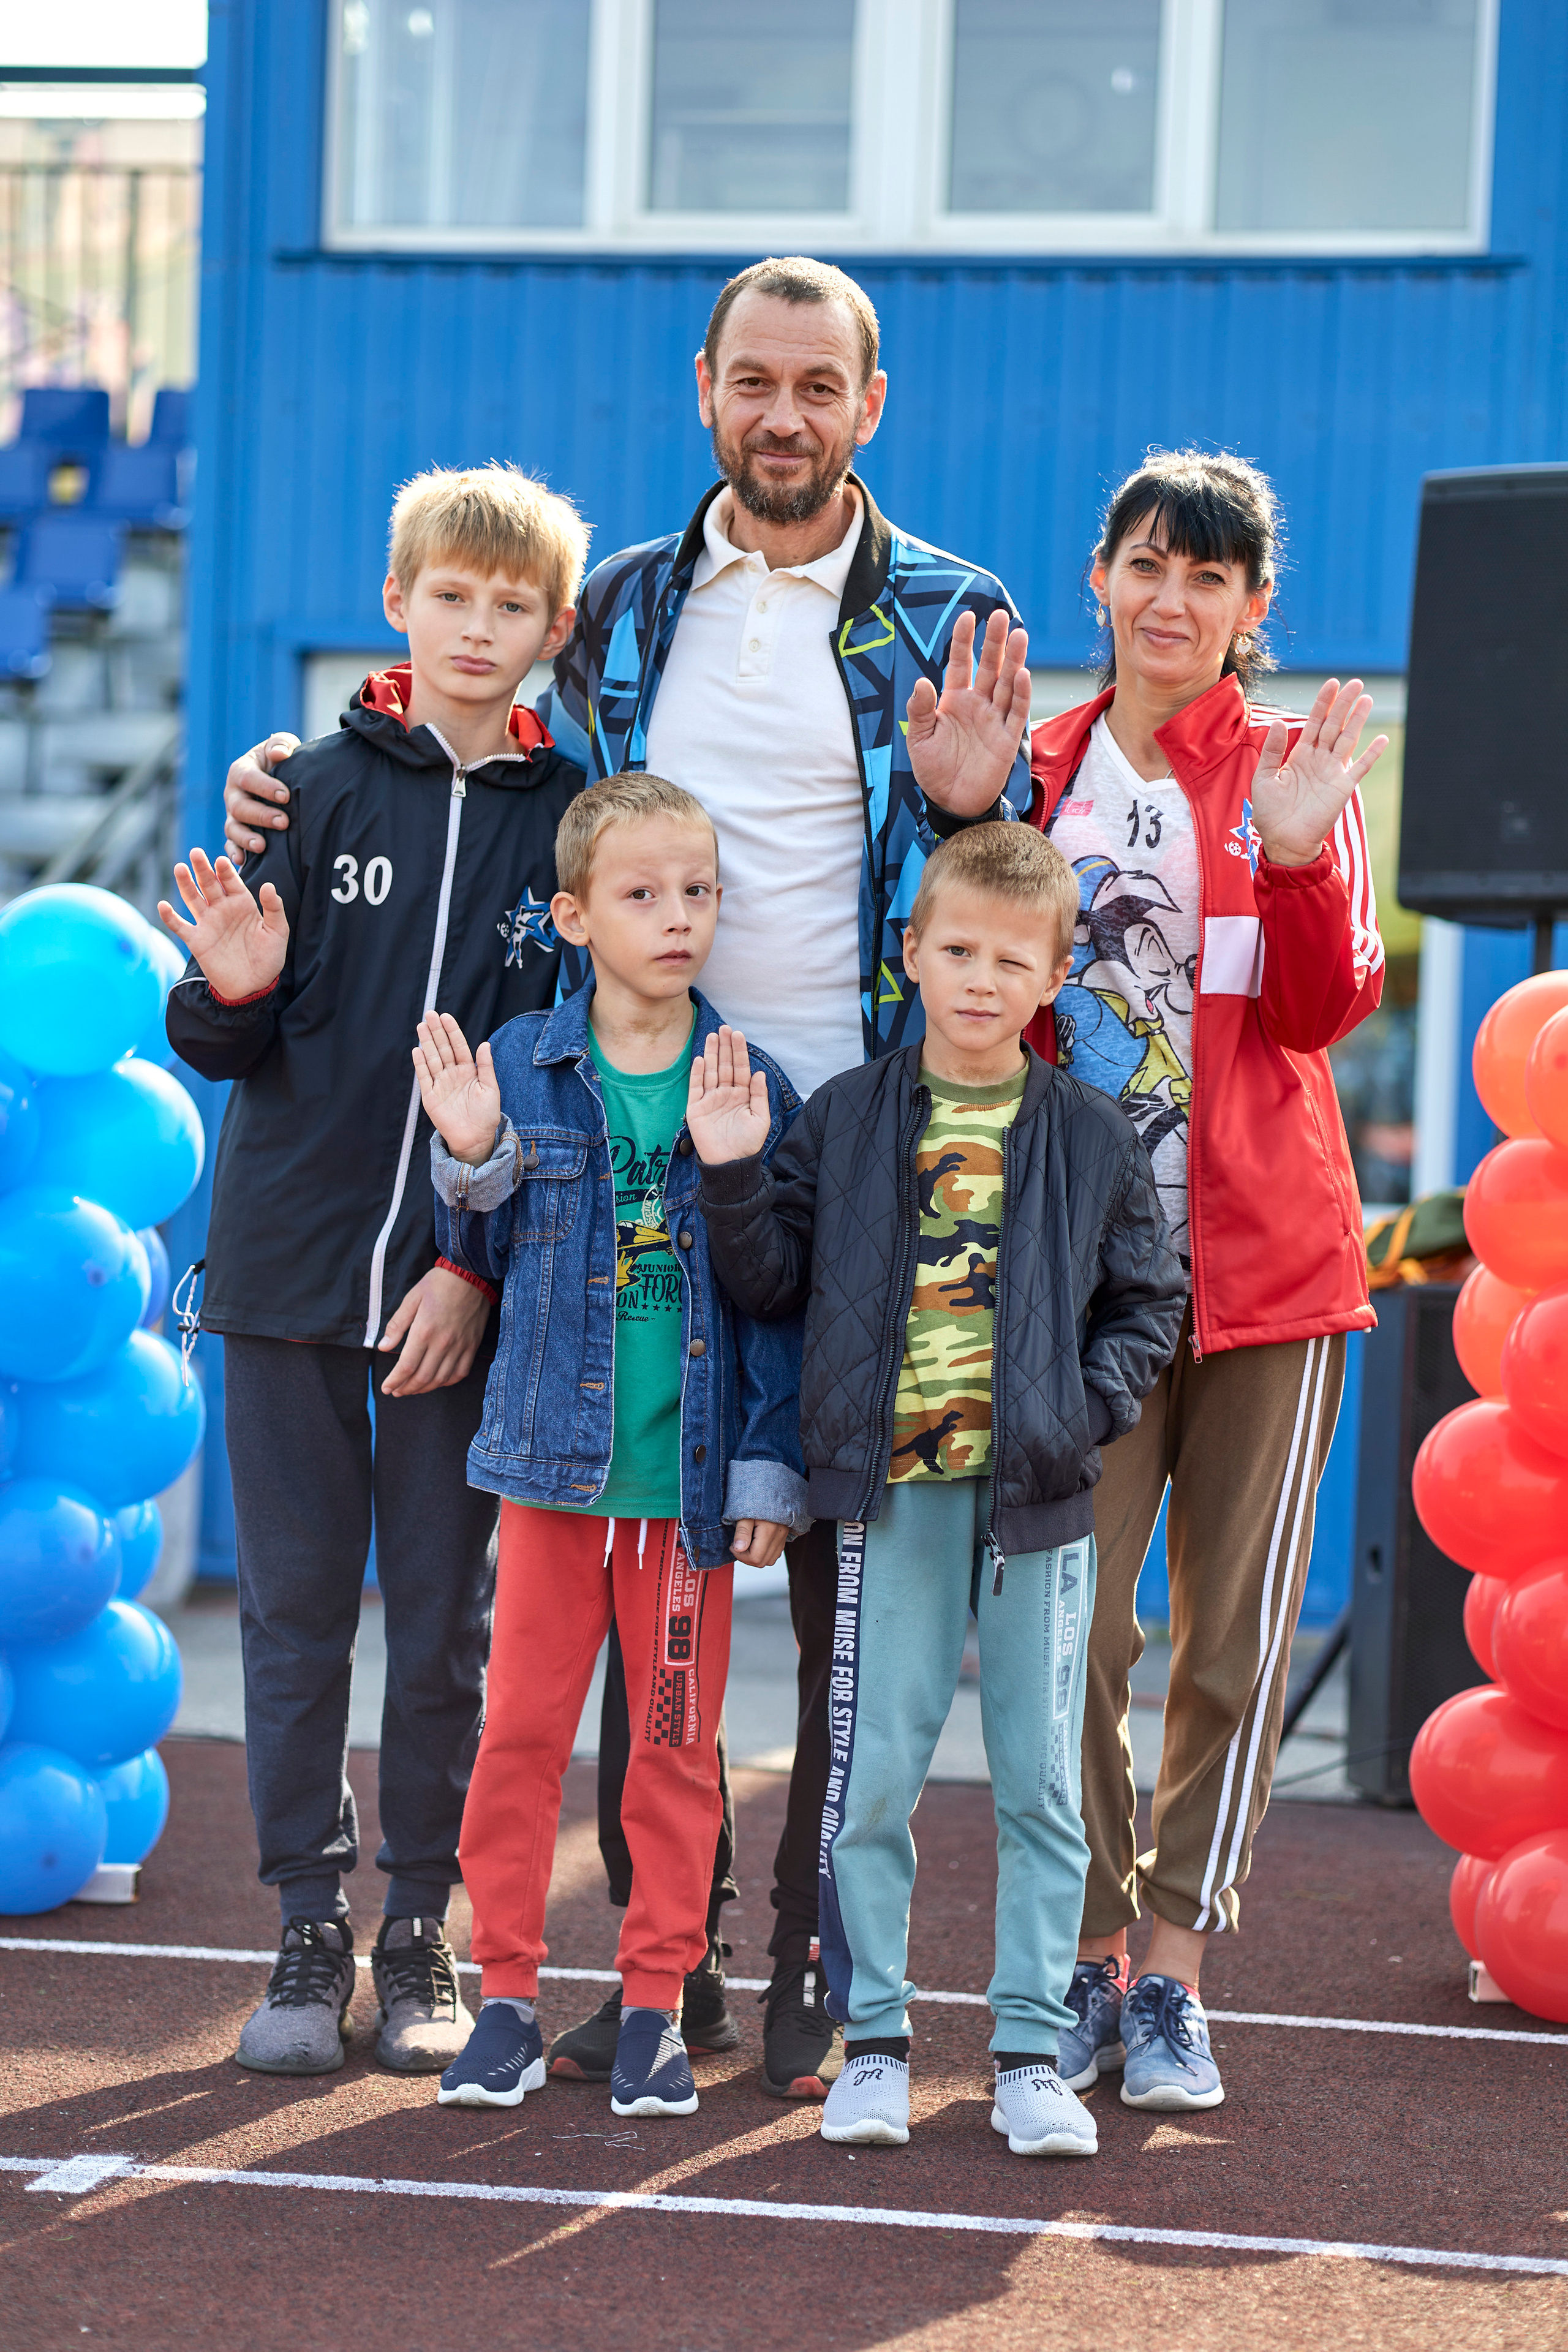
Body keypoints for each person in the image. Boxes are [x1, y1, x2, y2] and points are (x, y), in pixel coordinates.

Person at [219, 254, 1033, 2099]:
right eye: (756, 380)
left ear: (870, 405)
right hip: (623, 1144)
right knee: (636, 1557)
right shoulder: (619, 608)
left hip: (855, 1149)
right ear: (707, 391)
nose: (787, 415)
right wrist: (307, 759)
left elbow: (1002, 906)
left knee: (828, 1568)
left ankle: (822, 1958)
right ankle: (666, 1977)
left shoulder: (951, 613)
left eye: (820, 385)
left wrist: (987, 804)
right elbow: (484, 743)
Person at [162, 465, 587, 2076]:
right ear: (399, 600)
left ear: (552, 633)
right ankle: (302, 1926)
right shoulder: (309, 790)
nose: (479, 629)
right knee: (288, 1626)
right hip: (278, 1287)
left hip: (455, 1304)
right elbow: (224, 1034)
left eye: (511, 607)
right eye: (451, 596)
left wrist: (472, 1266)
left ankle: (422, 1934)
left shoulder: (572, 824)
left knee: (443, 1632)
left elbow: (557, 1069)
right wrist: (232, 991)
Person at [688, 824, 1186, 2155]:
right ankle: (878, 2043)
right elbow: (770, 1283)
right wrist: (734, 1175)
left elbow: (1147, 1302)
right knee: (870, 1781)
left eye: (1008, 959)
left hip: (1035, 1505)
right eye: (953, 950)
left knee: (1038, 1785)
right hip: (886, 1500)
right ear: (909, 954)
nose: (977, 977)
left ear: (1050, 975)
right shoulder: (848, 1116)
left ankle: (1027, 2049)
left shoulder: (1088, 1132)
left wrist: (1076, 1415)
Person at [1027, 448, 1387, 2111]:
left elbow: (1322, 1016)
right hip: (1075, 1287)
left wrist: (1305, 857)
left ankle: (1173, 1971)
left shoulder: (1296, 774)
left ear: (1254, 614)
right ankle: (1087, 1954)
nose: (1174, 601)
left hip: (1270, 1277)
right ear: (1100, 574)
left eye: (1213, 579)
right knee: (1071, 1635)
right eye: (1148, 565)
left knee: (1222, 1643)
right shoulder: (1031, 774)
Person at [417, 774, 806, 2118]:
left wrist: (766, 1470)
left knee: (673, 1754)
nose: (678, 916)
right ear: (575, 916)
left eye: (697, 891)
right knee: (517, 1736)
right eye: (643, 895)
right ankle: (505, 1999)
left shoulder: (750, 1082)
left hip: (682, 1502)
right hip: (548, 1481)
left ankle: (652, 2010)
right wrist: (469, 1156)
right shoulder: (521, 1064)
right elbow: (472, 1257)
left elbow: (774, 1304)